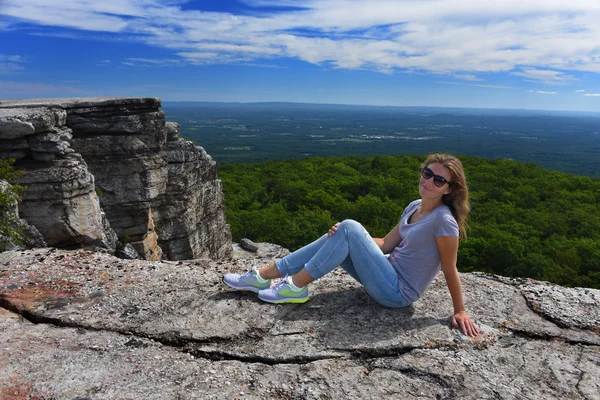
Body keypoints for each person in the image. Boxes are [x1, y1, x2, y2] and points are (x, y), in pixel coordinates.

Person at [224, 153, 479, 336]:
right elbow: (386, 244)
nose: (429, 181)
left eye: (439, 180)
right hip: (385, 273)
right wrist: (348, 236)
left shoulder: (444, 222)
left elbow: (450, 268)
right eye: (427, 173)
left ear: (449, 189)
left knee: (348, 228)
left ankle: (295, 288)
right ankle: (264, 276)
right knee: (341, 232)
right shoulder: (415, 206)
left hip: (397, 293)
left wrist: (460, 310)